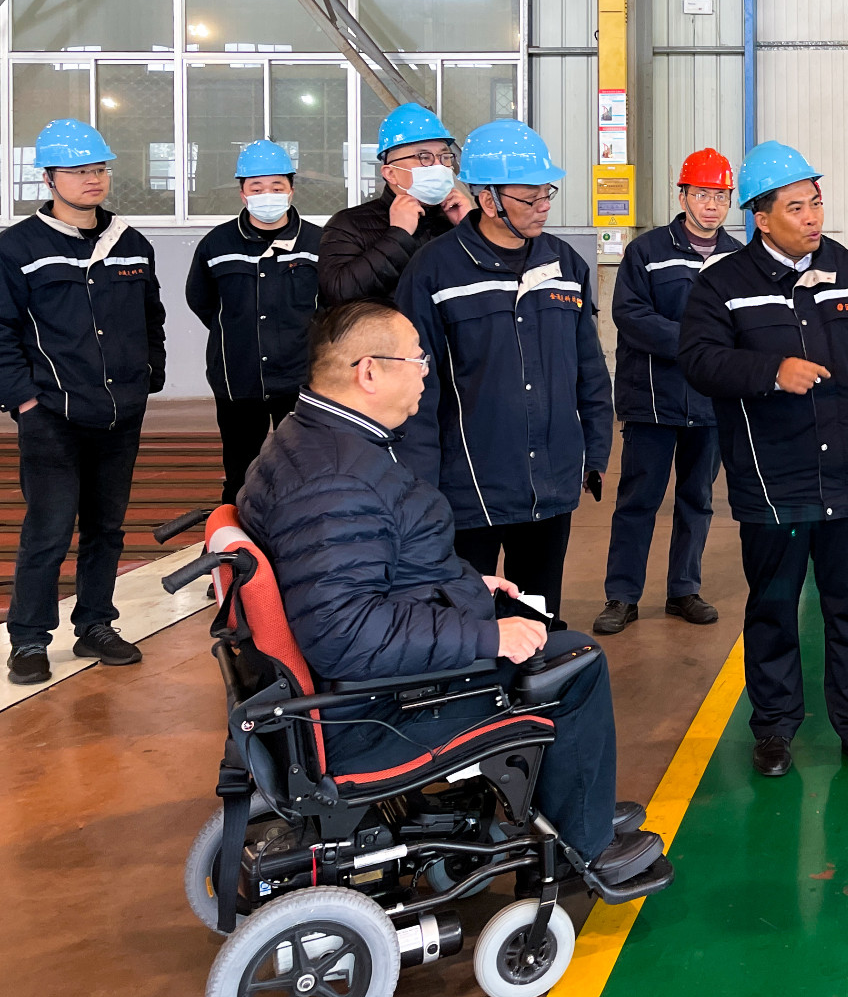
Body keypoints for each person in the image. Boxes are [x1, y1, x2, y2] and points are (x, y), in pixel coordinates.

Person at [235, 299, 665, 897]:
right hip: (368, 713)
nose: (426, 371)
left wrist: (462, 587)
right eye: (417, 359)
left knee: (538, 632)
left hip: (353, 682)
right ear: (369, 372)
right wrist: (486, 635)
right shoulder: (336, 477)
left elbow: (354, 568)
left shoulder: (309, 438)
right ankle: (583, 847)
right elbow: (343, 630)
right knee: (575, 662)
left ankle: (574, 806)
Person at [678, 141, 848, 782]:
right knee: (773, 607)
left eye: (816, 202)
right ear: (761, 218)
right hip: (772, 477)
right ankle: (774, 726)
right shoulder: (723, 285)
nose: (813, 216)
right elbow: (699, 360)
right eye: (796, 207)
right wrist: (770, 371)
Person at [394, 120, 612, 627]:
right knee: (464, 621)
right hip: (468, 483)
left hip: (551, 480)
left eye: (546, 192)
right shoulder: (434, 270)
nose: (543, 205)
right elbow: (414, 386)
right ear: (488, 200)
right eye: (529, 196)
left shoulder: (565, 265)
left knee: (538, 616)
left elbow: (589, 367)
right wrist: (420, 480)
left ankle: (535, 679)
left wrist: (595, 451)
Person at [0, 120, 165, 686]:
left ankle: (95, 624)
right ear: (48, 179)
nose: (92, 179)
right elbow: (2, 331)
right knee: (48, 530)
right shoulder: (18, 247)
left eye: (98, 169)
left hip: (120, 413)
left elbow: (151, 318)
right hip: (51, 415)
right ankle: (28, 639)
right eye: (77, 171)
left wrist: (148, 379)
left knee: (106, 528)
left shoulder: (131, 244)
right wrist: (23, 400)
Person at [595, 148, 744, 635]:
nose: (711, 205)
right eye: (702, 194)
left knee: (697, 499)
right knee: (638, 501)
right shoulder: (648, 251)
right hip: (652, 400)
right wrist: (696, 343)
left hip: (711, 403)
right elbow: (630, 315)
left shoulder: (739, 259)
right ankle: (622, 595)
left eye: (720, 196)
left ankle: (684, 589)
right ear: (682, 196)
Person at [185, 140, 323, 503]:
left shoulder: (316, 242)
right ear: (242, 193)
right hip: (238, 378)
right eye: (257, 187)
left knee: (306, 470)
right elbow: (201, 301)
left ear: (291, 189)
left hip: (300, 379)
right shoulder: (217, 244)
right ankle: (237, 535)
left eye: (276, 186)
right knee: (240, 473)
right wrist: (239, 334)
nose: (267, 195)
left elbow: (329, 306)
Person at [318, 101, 472, 307]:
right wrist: (398, 235)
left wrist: (470, 229)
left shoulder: (455, 222)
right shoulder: (349, 224)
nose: (439, 166)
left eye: (444, 157)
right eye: (424, 157)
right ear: (390, 173)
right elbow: (338, 294)